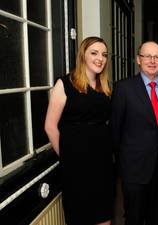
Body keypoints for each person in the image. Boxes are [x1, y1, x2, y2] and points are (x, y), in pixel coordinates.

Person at [44, 36, 114, 225]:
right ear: (82, 55)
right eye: (94, 53)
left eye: (104, 55)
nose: (100, 58)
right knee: (80, 217)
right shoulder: (65, 84)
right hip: (76, 166)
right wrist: (67, 156)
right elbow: (50, 126)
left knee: (104, 216)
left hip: (102, 164)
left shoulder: (104, 87)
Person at [111, 41, 158, 225]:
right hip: (133, 170)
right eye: (147, 56)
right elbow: (115, 131)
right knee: (133, 218)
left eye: (157, 57)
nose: (152, 60)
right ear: (138, 60)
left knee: (156, 217)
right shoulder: (123, 88)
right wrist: (122, 165)